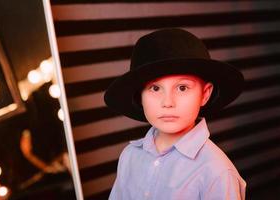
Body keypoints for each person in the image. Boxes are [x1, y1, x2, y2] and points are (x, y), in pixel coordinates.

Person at [104, 28, 246, 200]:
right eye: (155, 88)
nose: (168, 102)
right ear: (140, 96)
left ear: (205, 94)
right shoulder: (129, 156)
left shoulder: (217, 172)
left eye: (182, 88)